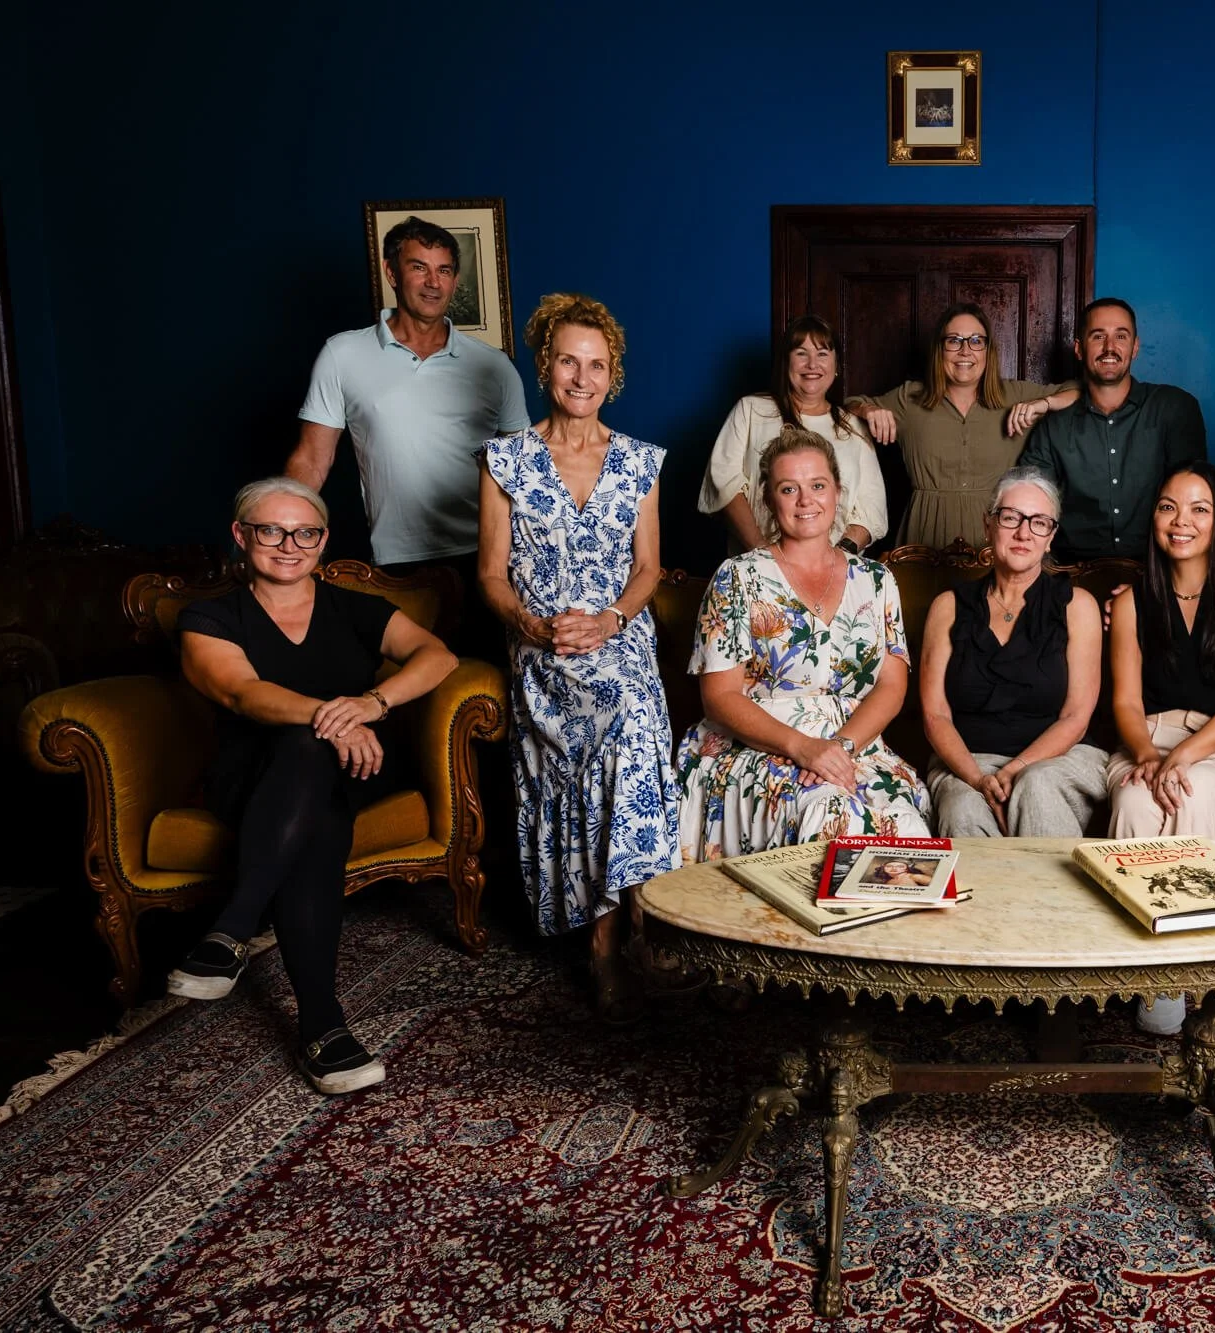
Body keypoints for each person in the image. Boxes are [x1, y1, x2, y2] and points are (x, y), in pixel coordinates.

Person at [165, 477, 457, 1094]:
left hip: (362, 767)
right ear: (242, 535)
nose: (289, 545)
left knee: (314, 762)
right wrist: (333, 718)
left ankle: (233, 928)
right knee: (313, 793)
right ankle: (323, 1027)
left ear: (323, 541)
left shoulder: (354, 607)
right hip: (255, 778)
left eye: (305, 533)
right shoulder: (211, 616)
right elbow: (242, 693)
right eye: (271, 530)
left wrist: (372, 704)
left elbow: (439, 657)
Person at [477, 293, 679, 1024]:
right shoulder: (505, 460)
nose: (582, 377)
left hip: (619, 637)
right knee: (617, 718)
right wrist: (530, 625)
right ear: (545, 366)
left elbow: (649, 569)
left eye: (596, 365)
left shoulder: (640, 462)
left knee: (631, 714)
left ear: (613, 374)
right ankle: (613, 936)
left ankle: (621, 931)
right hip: (544, 646)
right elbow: (490, 573)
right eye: (568, 362)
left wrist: (611, 619)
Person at [676, 429, 930, 859]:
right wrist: (804, 748)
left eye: (817, 485)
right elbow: (719, 698)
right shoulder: (738, 577)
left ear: (837, 492)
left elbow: (892, 685)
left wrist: (841, 748)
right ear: (769, 499)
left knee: (905, 826)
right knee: (830, 814)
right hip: (760, 748)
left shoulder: (877, 580)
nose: (805, 500)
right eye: (788, 488)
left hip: (855, 746)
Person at [286, 216, 529, 654]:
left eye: (444, 270)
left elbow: (528, 472)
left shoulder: (494, 367)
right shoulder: (343, 354)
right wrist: (281, 530)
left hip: (488, 559)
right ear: (391, 272)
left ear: (455, 280)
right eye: (419, 267)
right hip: (394, 564)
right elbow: (311, 460)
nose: (433, 282)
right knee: (409, 683)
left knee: (490, 680)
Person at [1106, 460, 1215, 1035]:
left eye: (1198, 509)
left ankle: (1186, 973)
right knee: (1135, 802)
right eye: (1168, 507)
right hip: (1146, 739)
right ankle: (1136, 969)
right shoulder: (1132, 601)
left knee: (1190, 792)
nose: (1180, 521)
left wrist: (1182, 757)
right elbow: (1127, 703)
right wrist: (1147, 755)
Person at [918, 467, 1105, 837]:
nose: (1024, 532)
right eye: (1011, 517)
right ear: (988, 525)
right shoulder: (948, 606)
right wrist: (978, 779)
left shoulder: (1077, 606)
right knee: (962, 807)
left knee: (1035, 786)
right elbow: (935, 715)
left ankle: (1052, 880)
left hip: (1060, 758)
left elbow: (1076, 717)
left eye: (1039, 522)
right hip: (967, 760)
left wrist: (1014, 770)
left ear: (1050, 538)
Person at [854, 303, 1079, 549]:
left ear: (988, 351)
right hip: (925, 532)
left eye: (976, 341)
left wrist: (1044, 404)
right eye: (954, 341)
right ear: (940, 349)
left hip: (996, 535)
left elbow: (1080, 391)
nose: (965, 351)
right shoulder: (910, 398)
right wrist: (868, 409)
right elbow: (847, 406)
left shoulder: (1015, 394)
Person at [1018, 298, 1208, 562]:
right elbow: (1028, 498)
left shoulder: (1174, 408)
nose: (1110, 347)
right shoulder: (1054, 426)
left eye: (1121, 336)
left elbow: (1196, 499)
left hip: (1157, 570)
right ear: (1079, 349)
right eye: (1098, 336)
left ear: (1135, 346)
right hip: (1073, 572)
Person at [697, 315, 887, 555]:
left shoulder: (853, 427)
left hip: (833, 566)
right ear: (786, 361)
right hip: (757, 561)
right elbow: (724, 484)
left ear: (837, 365)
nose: (812, 364)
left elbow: (872, 508)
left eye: (822, 354)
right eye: (801, 353)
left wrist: (835, 557)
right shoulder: (751, 410)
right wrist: (764, 554)